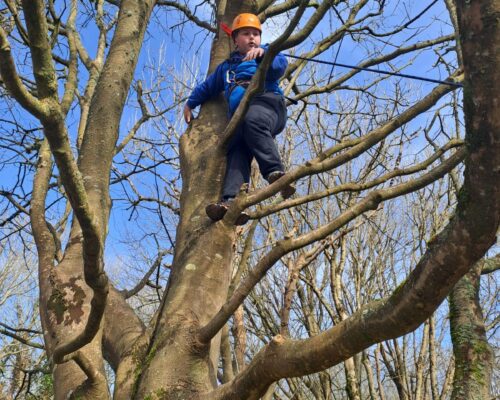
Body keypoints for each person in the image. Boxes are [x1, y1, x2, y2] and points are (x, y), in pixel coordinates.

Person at [184, 13, 295, 225]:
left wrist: (264, 54)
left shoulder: (269, 52)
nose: (252, 38)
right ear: (235, 39)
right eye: (246, 34)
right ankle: (231, 202)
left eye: (256, 34)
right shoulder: (227, 68)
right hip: (241, 120)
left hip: (268, 105)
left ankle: (275, 173)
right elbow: (207, 87)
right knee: (236, 150)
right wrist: (191, 102)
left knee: (252, 119)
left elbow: (280, 67)